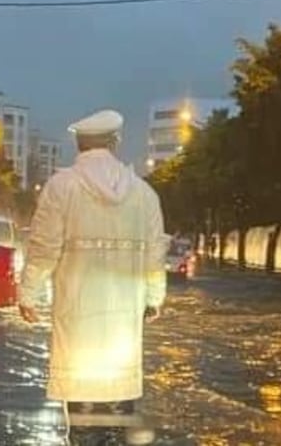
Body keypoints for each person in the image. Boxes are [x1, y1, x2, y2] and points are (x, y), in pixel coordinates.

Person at [17, 109, 168, 429]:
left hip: (78, 326)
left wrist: (27, 294)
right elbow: (156, 257)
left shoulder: (61, 187)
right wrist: (154, 299)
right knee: (119, 418)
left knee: (83, 422)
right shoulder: (145, 195)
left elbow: (43, 249)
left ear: (79, 144)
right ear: (115, 142)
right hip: (122, 332)